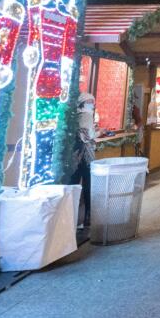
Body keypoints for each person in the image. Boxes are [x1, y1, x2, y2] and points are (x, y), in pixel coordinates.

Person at [72, 92, 97, 228]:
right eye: (89, 102)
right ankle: (88, 216)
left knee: (74, 185)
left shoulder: (75, 115)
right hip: (85, 156)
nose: (91, 105)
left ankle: (72, 215)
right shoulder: (86, 115)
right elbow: (86, 136)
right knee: (88, 185)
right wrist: (98, 133)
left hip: (74, 156)